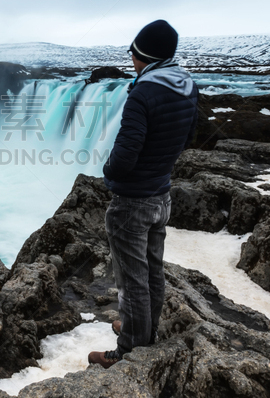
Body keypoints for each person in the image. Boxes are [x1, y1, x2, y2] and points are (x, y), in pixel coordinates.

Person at [88, 19, 198, 368]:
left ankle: (129, 349)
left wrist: (107, 171)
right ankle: (143, 329)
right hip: (161, 194)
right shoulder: (185, 86)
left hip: (132, 201)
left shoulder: (143, 93)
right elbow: (190, 136)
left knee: (131, 279)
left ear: (144, 56)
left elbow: (124, 156)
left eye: (133, 53)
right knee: (152, 270)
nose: (131, 59)